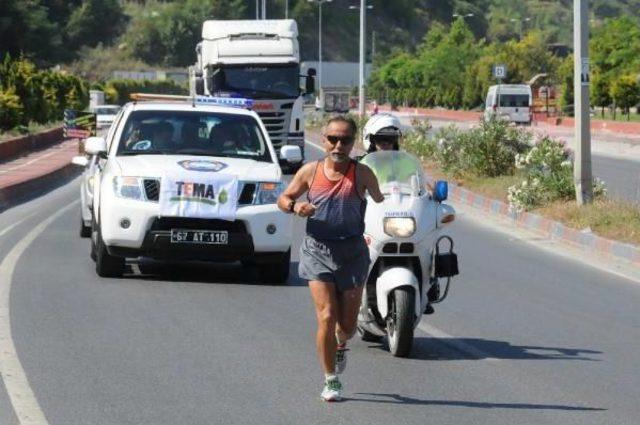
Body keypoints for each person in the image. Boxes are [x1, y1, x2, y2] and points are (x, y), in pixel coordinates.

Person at [277, 115, 384, 402]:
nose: (338, 145)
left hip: (352, 253)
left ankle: (340, 344)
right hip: (317, 250)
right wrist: (295, 206)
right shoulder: (310, 172)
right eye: (333, 139)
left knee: (346, 327)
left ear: (353, 143)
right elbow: (283, 198)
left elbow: (383, 199)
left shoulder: (362, 174)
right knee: (326, 315)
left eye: (345, 140)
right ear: (323, 140)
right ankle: (331, 379)